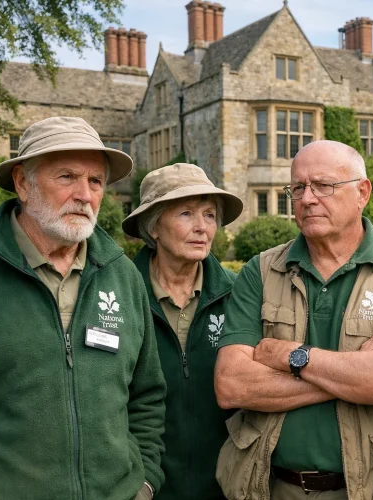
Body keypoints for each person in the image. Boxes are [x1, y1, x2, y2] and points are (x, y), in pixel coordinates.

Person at [213, 140, 373, 500]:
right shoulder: (260, 271)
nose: (307, 199)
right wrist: (358, 370)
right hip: (275, 488)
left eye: (323, 185)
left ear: (362, 192)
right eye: (298, 188)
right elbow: (232, 385)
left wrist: (293, 357)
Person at [0, 116, 166, 500]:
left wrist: (144, 484)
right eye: (67, 177)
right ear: (23, 183)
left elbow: (147, 396)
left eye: (95, 181)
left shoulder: (122, 274)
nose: (85, 195)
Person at [122, 163, 243, 500]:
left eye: (209, 215)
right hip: (143, 489)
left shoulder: (238, 295)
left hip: (225, 488)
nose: (202, 227)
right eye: (186, 214)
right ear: (154, 227)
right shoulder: (118, 297)